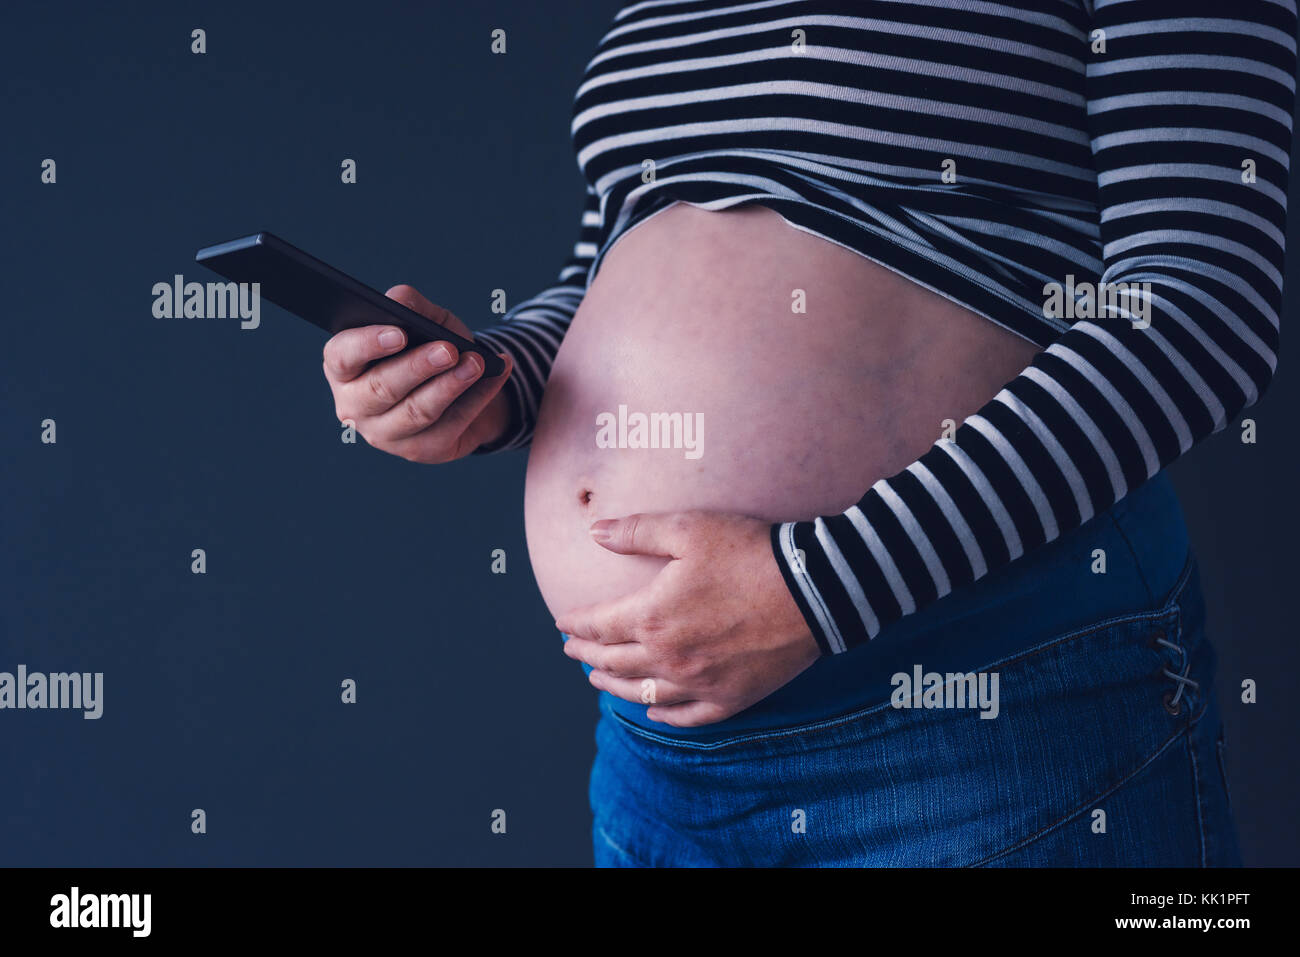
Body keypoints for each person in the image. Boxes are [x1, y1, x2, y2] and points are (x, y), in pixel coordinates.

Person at [321, 0, 1296, 866]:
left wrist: (824, 585)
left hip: (980, 704)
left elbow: (1195, 302)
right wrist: (481, 381)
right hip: (658, 751)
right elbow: (613, 256)